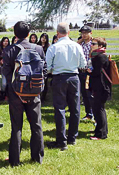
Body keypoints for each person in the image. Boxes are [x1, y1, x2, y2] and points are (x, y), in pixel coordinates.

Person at [1, 21, 46, 166]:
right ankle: (37, 157)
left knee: (16, 126)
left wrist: (17, 91)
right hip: (34, 92)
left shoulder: (9, 50)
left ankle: (15, 161)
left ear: (15, 33)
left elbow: (7, 74)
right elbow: (43, 71)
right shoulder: (38, 49)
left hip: (15, 93)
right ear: (28, 34)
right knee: (36, 125)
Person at [45, 22, 86, 151]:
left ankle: (61, 140)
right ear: (69, 32)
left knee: (60, 109)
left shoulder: (53, 47)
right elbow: (83, 64)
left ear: (57, 33)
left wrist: (53, 70)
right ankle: (72, 138)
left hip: (59, 77)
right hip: (74, 77)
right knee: (75, 108)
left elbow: (48, 67)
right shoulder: (77, 46)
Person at [88, 37, 111, 140]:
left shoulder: (100, 57)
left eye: (93, 44)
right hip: (99, 86)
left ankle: (101, 134)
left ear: (101, 46)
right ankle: (100, 130)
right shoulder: (98, 56)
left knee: (99, 109)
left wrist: (89, 71)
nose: (91, 45)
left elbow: (96, 72)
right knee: (98, 109)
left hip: (101, 87)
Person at [77, 25, 94, 121]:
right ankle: (88, 113)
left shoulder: (93, 44)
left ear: (90, 33)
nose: (83, 35)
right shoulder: (80, 44)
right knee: (84, 93)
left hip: (90, 72)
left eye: (85, 33)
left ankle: (94, 113)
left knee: (90, 93)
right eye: (82, 33)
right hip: (81, 71)